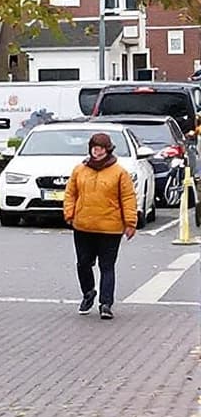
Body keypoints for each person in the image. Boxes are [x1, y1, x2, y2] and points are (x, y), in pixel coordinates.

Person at [63, 130, 137, 320]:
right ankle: (88, 292)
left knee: (107, 266)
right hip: (83, 226)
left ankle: (106, 303)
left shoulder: (120, 172)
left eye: (101, 149)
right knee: (83, 263)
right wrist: (69, 213)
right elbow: (71, 193)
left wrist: (130, 223)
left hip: (110, 228)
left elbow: (128, 198)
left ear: (108, 150)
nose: (97, 152)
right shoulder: (79, 170)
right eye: (95, 148)